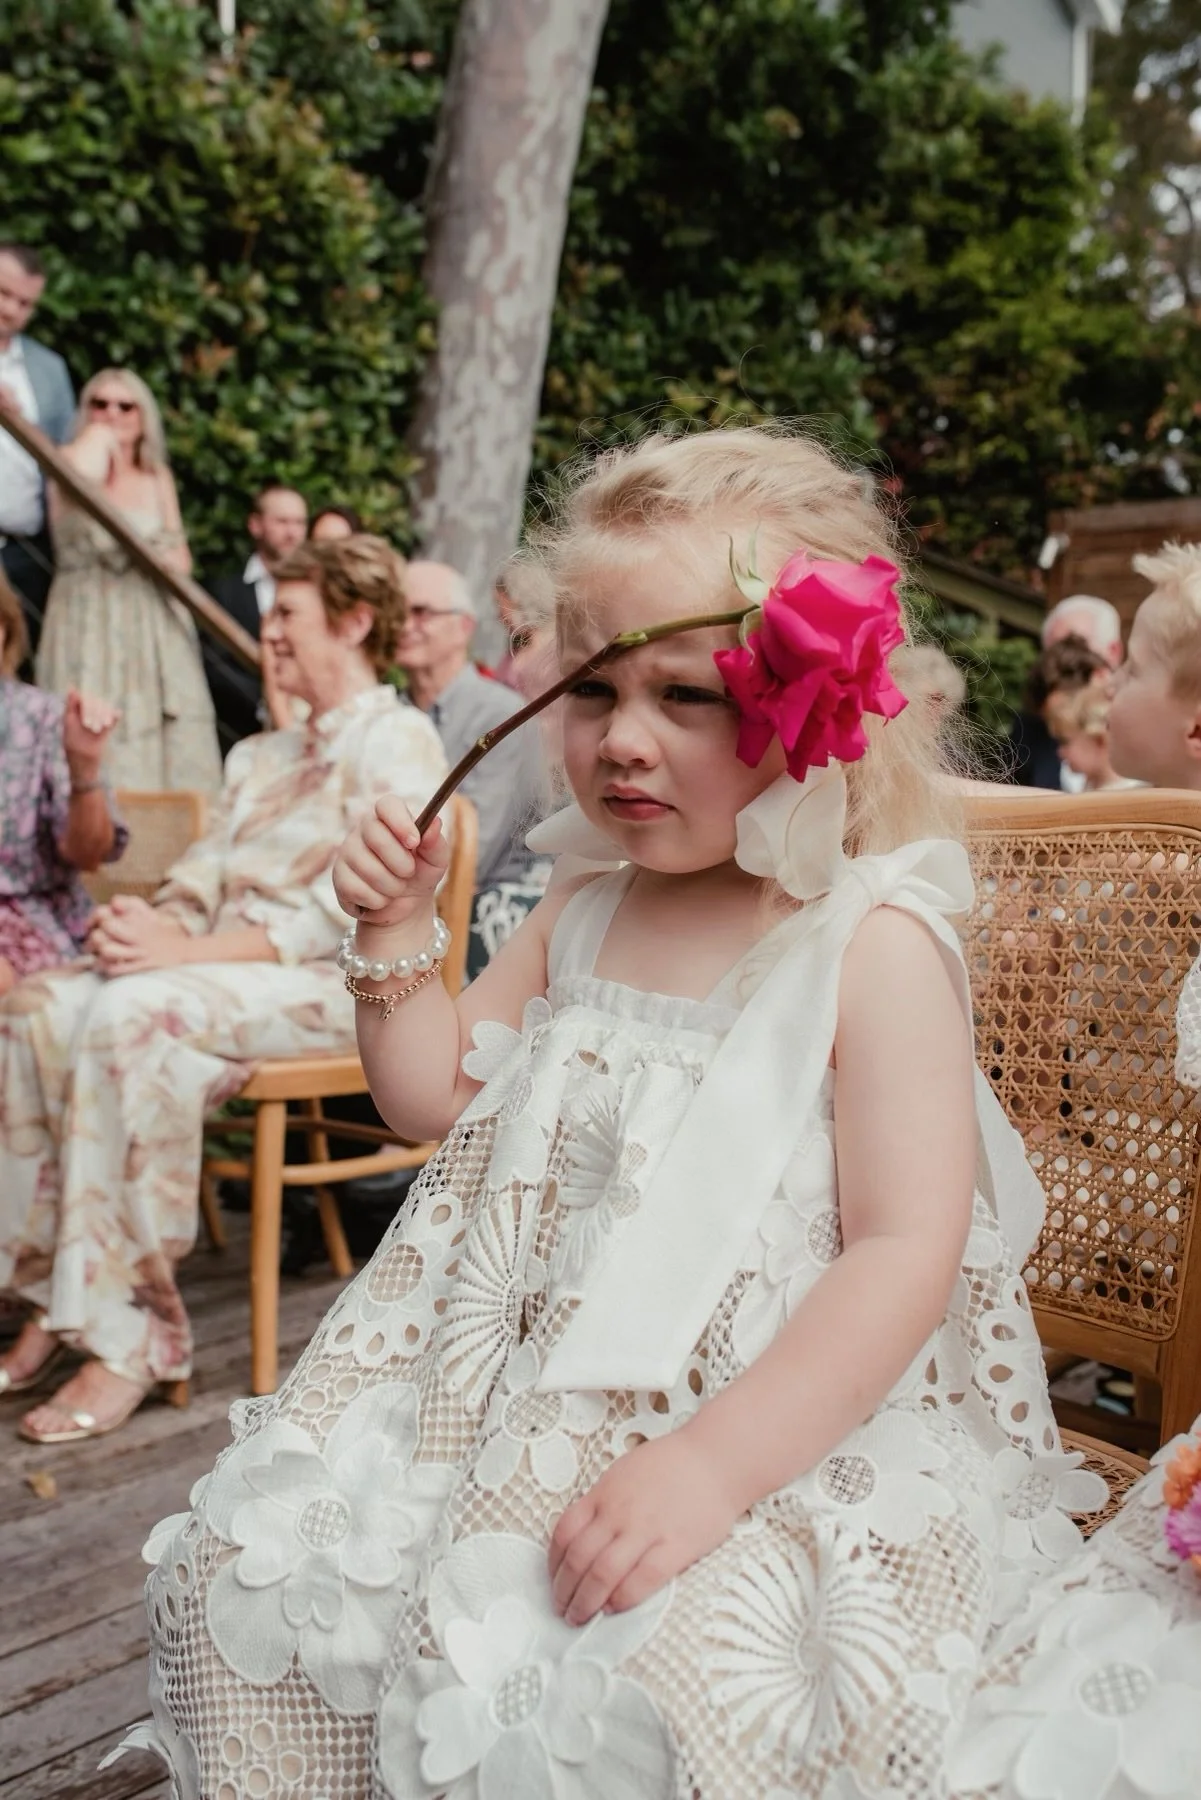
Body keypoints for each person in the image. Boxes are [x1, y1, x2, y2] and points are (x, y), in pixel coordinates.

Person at [132, 429, 1200, 1800]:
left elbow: (902, 1251)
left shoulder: (867, 941)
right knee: (246, 1577)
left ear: (812, 707)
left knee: (617, 1689)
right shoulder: (586, 902)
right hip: (492, 1385)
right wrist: (395, 936)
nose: (622, 740)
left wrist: (708, 1468)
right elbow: (425, 1094)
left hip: (762, 1412)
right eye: (592, 689)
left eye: (686, 694)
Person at [0, 534, 447, 1441]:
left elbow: (351, 912)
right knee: (39, 1005)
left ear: (354, 622)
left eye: (289, 614)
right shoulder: (258, 757)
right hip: (220, 974)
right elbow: (201, 876)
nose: (268, 631)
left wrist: (181, 955)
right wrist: (148, 924)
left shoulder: (398, 739)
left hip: (335, 984)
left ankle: (134, 1340)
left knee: (133, 1013)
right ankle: (52, 1291)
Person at [35, 367, 222, 796]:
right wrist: (100, 438)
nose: (112, 413)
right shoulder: (69, 459)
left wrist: (157, 556)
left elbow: (181, 557)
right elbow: (81, 476)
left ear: (144, 417)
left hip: (151, 622)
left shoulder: (158, 477)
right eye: (100, 404)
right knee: (88, 723)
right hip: (86, 618)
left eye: (126, 406)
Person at [397, 559, 550, 977]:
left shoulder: (500, 715)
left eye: (421, 612)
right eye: (397, 611)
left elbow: (472, 854)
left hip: (477, 914)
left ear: (463, 627)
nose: (403, 625)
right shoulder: (390, 712)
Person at [0, 569, 125, 992]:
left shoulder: (44, 720)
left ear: (4, 631)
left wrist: (83, 768)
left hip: (28, 925)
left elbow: (88, 854)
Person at [0, 243, 76, 661]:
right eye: (3, 293)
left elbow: (65, 462)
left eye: (25, 303)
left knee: (16, 666)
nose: (11, 309)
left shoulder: (49, 369)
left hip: (25, 551)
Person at [205, 484, 309, 743]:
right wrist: (267, 702)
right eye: (282, 522)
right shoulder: (224, 590)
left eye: (299, 523)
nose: (292, 533)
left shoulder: (319, 590)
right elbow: (215, 665)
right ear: (255, 525)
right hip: (240, 733)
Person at [1010, 593, 1124, 789]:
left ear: (1112, 654)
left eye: (1079, 654)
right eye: (1053, 654)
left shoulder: (1147, 728)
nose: (1061, 663)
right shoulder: (1029, 728)